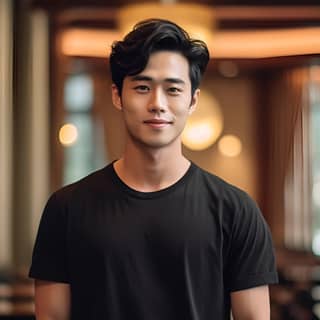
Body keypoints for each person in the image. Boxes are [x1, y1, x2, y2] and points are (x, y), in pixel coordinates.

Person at [29, 18, 278, 320]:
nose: (158, 103)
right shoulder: (66, 208)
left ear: (192, 100)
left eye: (173, 90)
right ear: (117, 95)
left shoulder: (236, 210)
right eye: (143, 87)